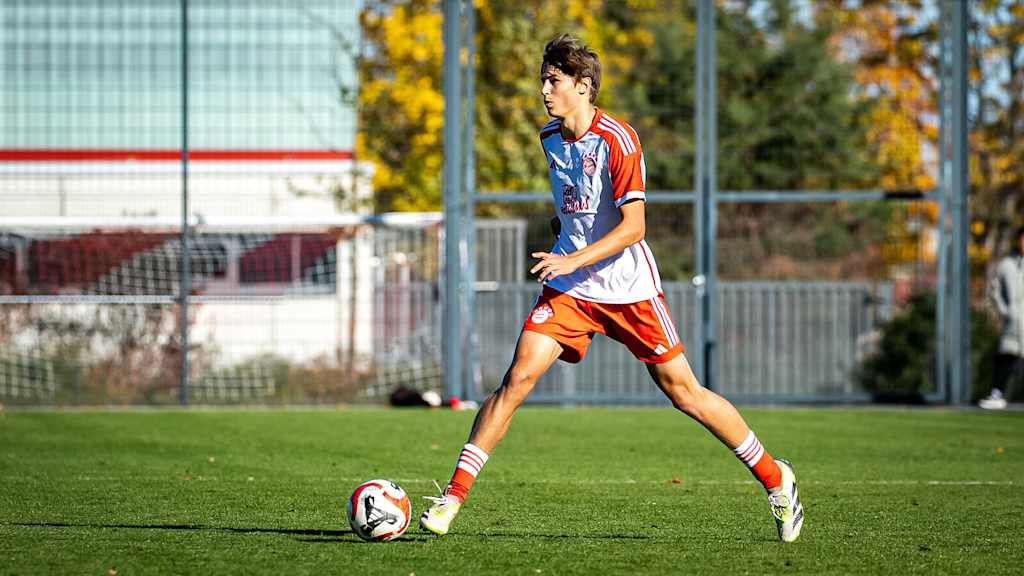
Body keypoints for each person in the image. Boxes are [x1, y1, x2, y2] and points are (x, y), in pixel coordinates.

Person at [420, 34, 804, 542]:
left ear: (583, 86)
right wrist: (566, 249)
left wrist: (573, 256)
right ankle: (452, 498)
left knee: (684, 393)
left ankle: (778, 481)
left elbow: (634, 227)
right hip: (573, 289)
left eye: (553, 81)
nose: (543, 90)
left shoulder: (619, 140)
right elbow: (573, 211)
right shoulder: (549, 139)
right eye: (543, 79)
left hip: (628, 287)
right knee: (517, 379)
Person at [982, 226, 1024, 409]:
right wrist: (1005, 311)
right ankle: (997, 394)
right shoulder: (1007, 265)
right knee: (1006, 357)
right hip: (1014, 322)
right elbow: (994, 289)